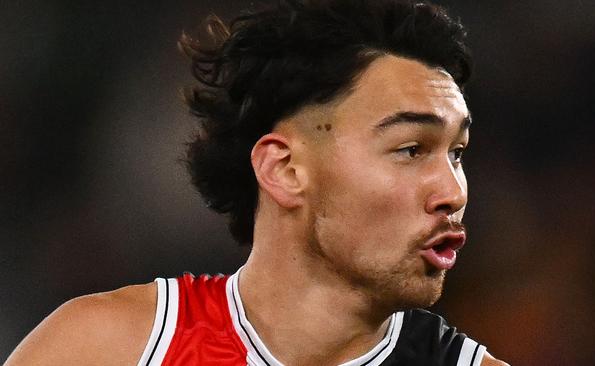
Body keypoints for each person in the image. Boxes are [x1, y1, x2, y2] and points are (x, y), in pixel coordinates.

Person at [5, 0, 509, 365]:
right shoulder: (109, 349)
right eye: (411, 149)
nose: (454, 192)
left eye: (457, 154)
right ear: (284, 170)